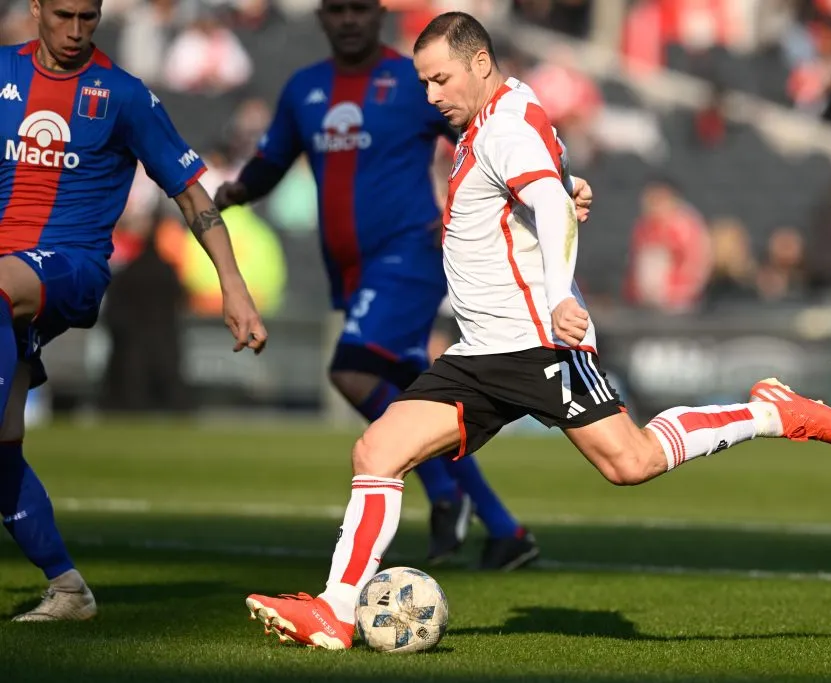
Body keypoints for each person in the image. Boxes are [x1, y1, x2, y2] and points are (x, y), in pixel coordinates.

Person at [243, 11, 831, 650]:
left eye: (441, 80)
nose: (431, 97)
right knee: (376, 452)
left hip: (538, 344)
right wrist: (564, 186)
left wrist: (562, 290)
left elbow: (551, 203)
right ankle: (336, 612)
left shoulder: (503, 127)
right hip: (479, 353)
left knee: (632, 463)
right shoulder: (500, 116)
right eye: (423, 84)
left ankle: (769, 414)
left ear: (480, 63)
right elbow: (547, 189)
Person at [216, 0, 590, 569]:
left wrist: (560, 183)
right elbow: (273, 158)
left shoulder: (415, 82)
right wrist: (238, 191)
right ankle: (504, 529)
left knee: (353, 369)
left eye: (360, 10)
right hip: (348, 266)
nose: (348, 20)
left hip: (408, 253)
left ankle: (444, 494)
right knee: (426, 397)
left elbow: (498, 133)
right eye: (336, 11)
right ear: (320, 19)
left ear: (379, 16)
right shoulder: (305, 89)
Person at [1, 0, 267, 621]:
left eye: (88, 17)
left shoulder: (121, 95)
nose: (75, 30)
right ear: (35, 9)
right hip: (10, 283)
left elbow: (189, 191)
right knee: (4, 449)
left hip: (72, 269)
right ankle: (68, 588)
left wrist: (233, 283)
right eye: (62, 14)